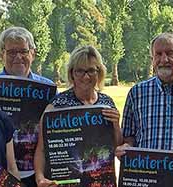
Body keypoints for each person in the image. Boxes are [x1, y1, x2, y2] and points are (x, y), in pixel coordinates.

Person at [117, 33, 173, 185]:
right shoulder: (137, 93)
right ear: (152, 59)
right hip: (144, 178)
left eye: (170, 53)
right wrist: (126, 148)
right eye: (158, 54)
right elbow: (129, 135)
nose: (164, 59)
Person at [33, 45, 122, 187]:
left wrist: (116, 125)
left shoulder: (107, 103)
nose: (86, 76)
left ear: (99, 73)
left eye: (91, 70)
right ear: (72, 73)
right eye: (80, 71)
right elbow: (42, 149)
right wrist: (39, 178)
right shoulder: (56, 106)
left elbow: (118, 148)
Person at [0, 26, 55, 187]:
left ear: (33, 53)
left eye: (23, 51)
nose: (18, 57)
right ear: (2, 55)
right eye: (12, 52)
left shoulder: (48, 88)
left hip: (38, 173)